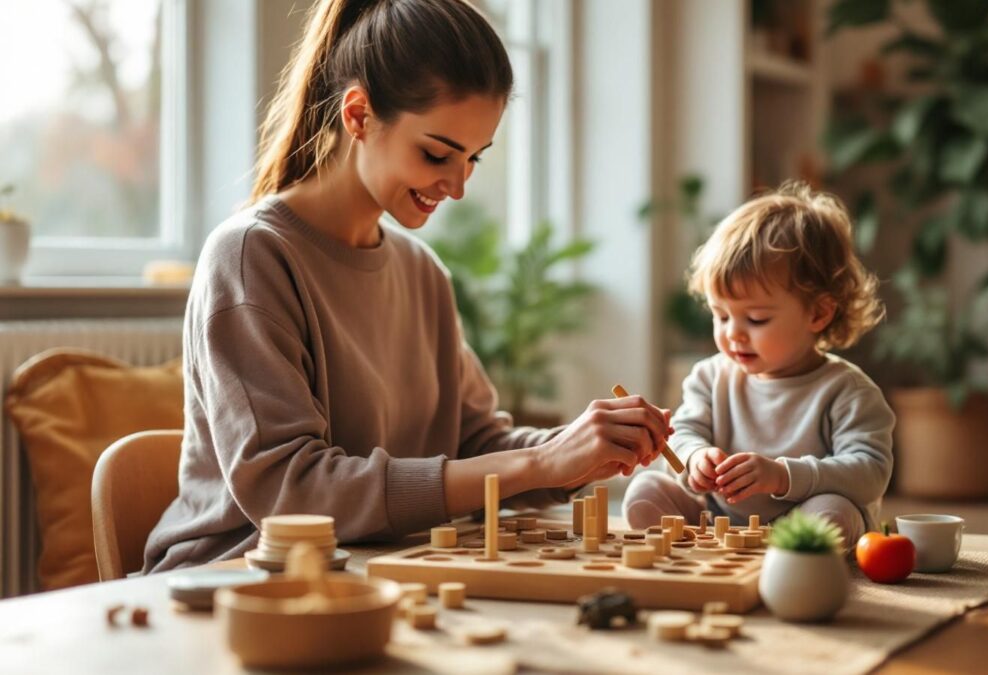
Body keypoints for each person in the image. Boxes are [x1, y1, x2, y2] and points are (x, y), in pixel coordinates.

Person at [145, 0, 669, 572]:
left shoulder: (423, 272)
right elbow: (292, 494)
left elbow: (474, 449)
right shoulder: (252, 256)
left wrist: (577, 451)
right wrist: (540, 463)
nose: (457, 185)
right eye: (437, 153)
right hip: (239, 582)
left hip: (384, 570)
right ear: (358, 115)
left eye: (473, 159)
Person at [622, 181, 895, 549]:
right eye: (720, 316)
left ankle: (791, 556)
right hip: (719, 521)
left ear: (818, 312)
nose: (733, 334)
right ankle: (698, 553)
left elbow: (870, 473)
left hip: (801, 519)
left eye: (756, 319)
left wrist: (783, 476)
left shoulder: (848, 391)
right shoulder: (709, 376)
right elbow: (683, 434)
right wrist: (694, 457)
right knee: (645, 491)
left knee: (834, 512)